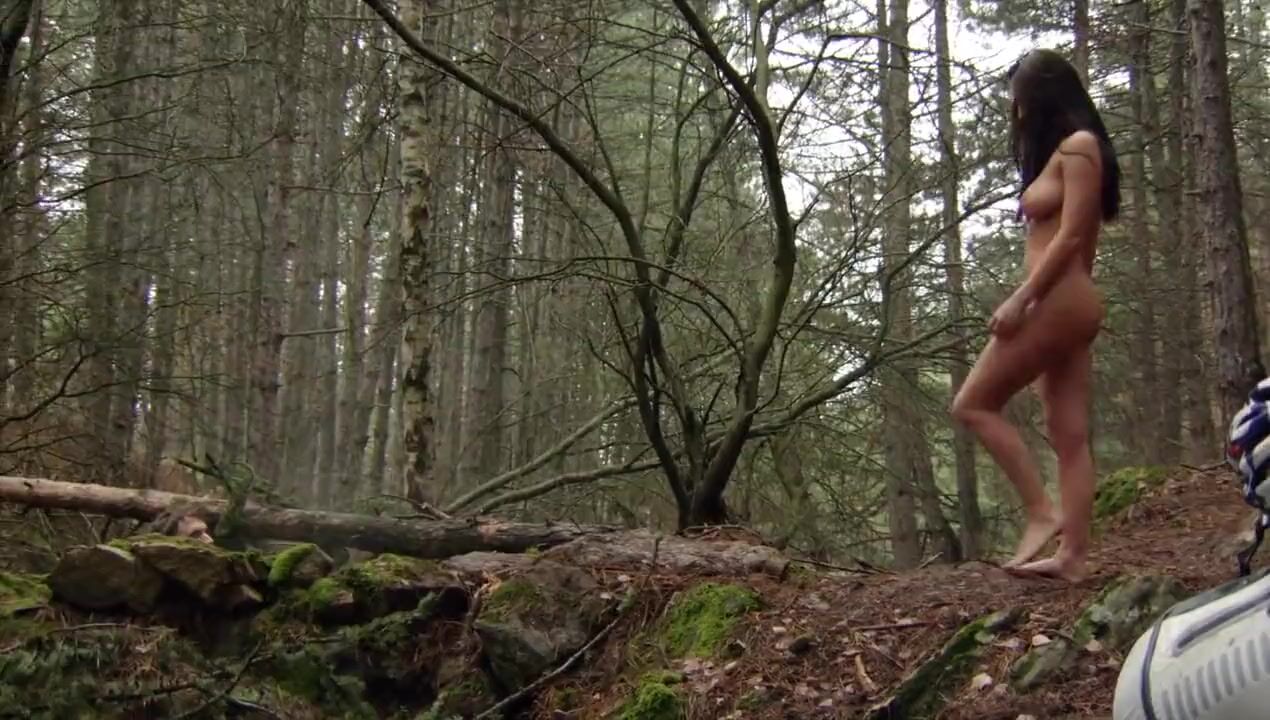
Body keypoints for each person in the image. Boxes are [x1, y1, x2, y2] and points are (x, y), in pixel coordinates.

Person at [950, 49, 1121, 582]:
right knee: (1068, 432)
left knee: (973, 403)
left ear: (1041, 97)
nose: (1016, 111)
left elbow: (1071, 238)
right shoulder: (1065, 153)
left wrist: (1022, 299)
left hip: (1059, 298)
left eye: (1019, 100)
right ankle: (1073, 559)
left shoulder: (1080, 147)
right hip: (1067, 301)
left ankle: (1042, 512)